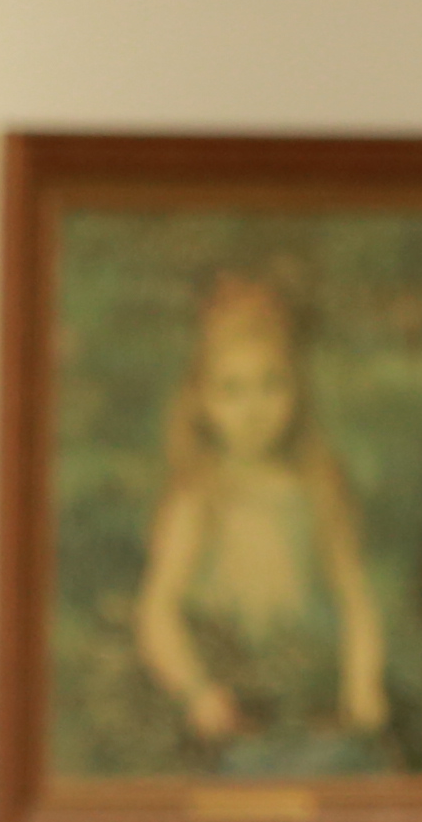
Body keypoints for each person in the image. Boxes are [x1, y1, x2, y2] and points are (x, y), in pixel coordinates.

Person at [127, 267, 390, 772]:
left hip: (311, 699)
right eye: (232, 390)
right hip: (232, 699)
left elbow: (354, 595)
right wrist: (197, 690)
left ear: (297, 391)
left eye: (271, 386)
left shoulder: (317, 486)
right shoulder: (200, 496)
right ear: (202, 402)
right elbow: (157, 610)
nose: (254, 409)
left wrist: (362, 683)